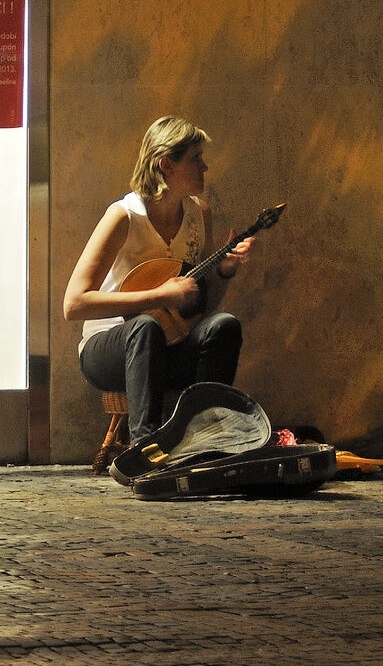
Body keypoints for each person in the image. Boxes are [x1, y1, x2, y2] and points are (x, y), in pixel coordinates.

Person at [66, 116, 254, 443]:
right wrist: (158, 297)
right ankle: (145, 450)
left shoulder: (199, 214)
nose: (205, 167)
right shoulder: (124, 216)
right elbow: (74, 304)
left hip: (170, 346)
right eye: (196, 158)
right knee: (145, 327)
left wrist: (225, 271)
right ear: (166, 164)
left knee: (224, 325)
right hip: (109, 349)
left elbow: (201, 305)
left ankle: (206, 441)